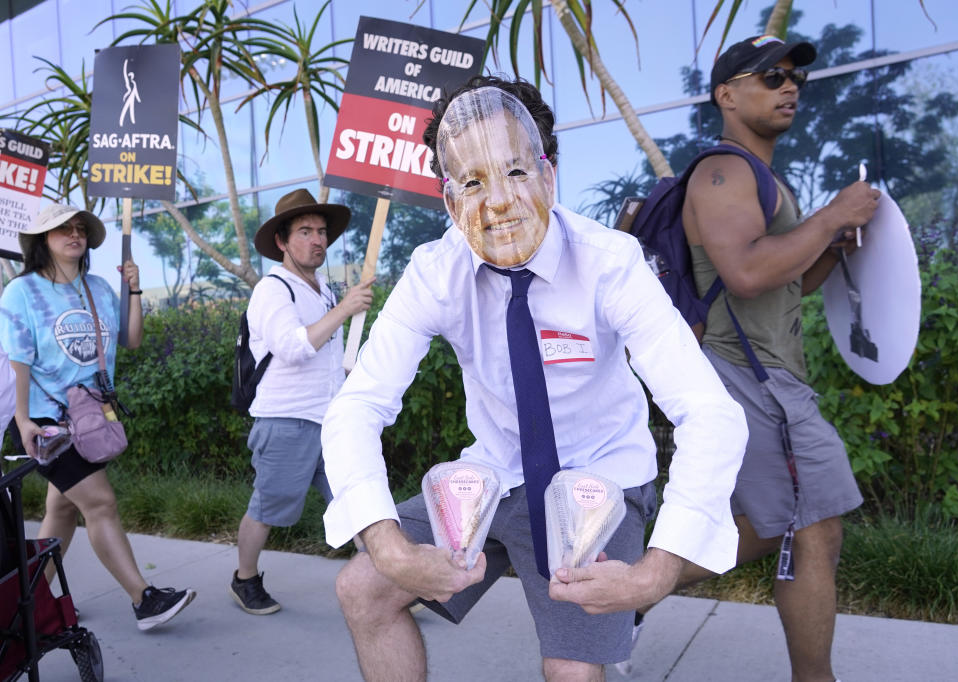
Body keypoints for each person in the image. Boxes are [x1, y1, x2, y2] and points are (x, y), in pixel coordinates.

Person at [321, 75, 748, 681]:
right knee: (363, 589)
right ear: (450, 198)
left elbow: (708, 411)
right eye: (472, 181)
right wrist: (387, 544)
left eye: (516, 173)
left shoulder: (610, 263)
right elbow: (358, 404)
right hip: (495, 474)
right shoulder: (435, 272)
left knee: (570, 669)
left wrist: (658, 569)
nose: (495, 201)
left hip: (599, 475)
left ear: (549, 175)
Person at [588, 36, 881, 681]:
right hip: (748, 374)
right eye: (771, 75)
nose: (790, 86)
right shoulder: (726, 172)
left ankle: (618, 593)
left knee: (765, 525)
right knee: (815, 527)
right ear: (727, 94)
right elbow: (745, 273)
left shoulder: (762, 180)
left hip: (761, 373)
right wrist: (832, 215)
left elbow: (781, 280)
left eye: (794, 76)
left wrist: (829, 247)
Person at [0, 203, 197, 631]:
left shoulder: (99, 288)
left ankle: (26, 606)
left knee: (63, 512)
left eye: (80, 229)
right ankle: (143, 599)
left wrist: (136, 290)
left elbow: (131, 339)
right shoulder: (22, 291)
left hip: (88, 417)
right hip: (44, 422)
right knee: (101, 502)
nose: (74, 235)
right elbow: (19, 362)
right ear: (41, 241)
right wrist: (22, 421)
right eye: (62, 230)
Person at [229, 188, 374, 615]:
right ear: (282, 241)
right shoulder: (274, 290)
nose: (317, 240)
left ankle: (391, 579)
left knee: (356, 500)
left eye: (322, 232)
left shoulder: (324, 292)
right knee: (267, 507)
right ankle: (244, 579)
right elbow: (293, 348)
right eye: (305, 231)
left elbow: (332, 362)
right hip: (286, 421)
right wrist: (345, 310)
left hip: (331, 421)